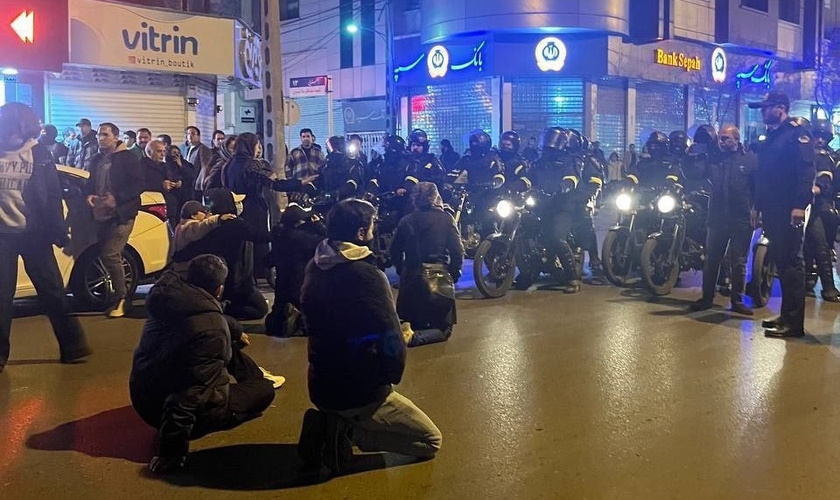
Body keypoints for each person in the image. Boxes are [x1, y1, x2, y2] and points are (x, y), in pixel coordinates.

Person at [298, 199, 442, 476]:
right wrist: (390, 375)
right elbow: (388, 335)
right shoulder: (367, 275)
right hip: (359, 389)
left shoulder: (315, 266)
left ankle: (329, 422)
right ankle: (344, 434)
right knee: (431, 441)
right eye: (372, 224)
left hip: (320, 381)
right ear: (361, 233)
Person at [129, 254, 276, 474]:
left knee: (222, 343)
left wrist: (234, 329)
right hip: (164, 411)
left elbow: (204, 322)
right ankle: (256, 383)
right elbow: (188, 396)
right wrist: (171, 453)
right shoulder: (210, 329)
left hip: (144, 394)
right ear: (219, 289)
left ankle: (253, 378)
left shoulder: (170, 299)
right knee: (265, 390)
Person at [0, 102, 92, 374]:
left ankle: (73, 346)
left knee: (53, 291)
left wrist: (58, 233)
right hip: (2, 234)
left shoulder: (39, 154)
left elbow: (52, 196)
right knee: (1, 296)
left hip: (34, 234)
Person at [749, 92, 816, 337]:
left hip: (789, 210)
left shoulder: (797, 134)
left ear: (781, 108)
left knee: (791, 264)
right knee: (782, 263)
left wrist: (799, 205)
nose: (762, 112)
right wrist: (757, 206)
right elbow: (763, 176)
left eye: (766, 108)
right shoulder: (772, 137)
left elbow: (806, 172)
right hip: (772, 209)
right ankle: (786, 315)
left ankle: (794, 324)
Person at [688, 124, 757, 315]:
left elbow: (757, 188)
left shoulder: (749, 159)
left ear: (736, 138)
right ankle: (707, 299)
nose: (721, 141)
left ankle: (737, 301)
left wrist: (757, 210)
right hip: (717, 218)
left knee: (739, 261)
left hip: (741, 219)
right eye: (720, 138)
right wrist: (689, 157)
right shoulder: (713, 159)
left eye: (726, 138)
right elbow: (693, 174)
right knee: (712, 260)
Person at [173, 188, 270, 321]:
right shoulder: (234, 224)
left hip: (225, 282)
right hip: (239, 282)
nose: (239, 205)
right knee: (259, 309)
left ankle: (221, 311)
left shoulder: (212, 227)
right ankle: (223, 312)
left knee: (256, 307)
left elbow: (195, 248)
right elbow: (261, 236)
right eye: (236, 202)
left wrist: (177, 257)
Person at [390, 183, 464, 346]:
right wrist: (453, 273)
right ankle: (412, 338)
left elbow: (394, 251)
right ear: (436, 197)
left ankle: (407, 328)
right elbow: (457, 252)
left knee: (413, 320)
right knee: (444, 331)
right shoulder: (446, 219)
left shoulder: (406, 220)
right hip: (437, 281)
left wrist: (402, 270)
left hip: (410, 281)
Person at [85, 122, 145, 318]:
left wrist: (117, 199)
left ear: (116, 137)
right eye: (99, 135)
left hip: (122, 214)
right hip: (101, 214)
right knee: (106, 256)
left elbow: (138, 184)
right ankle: (115, 295)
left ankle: (122, 299)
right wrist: (89, 195)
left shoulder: (128, 158)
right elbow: (89, 182)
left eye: (105, 135)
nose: (100, 138)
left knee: (110, 254)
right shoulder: (96, 159)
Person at [525, 127, 585, 293]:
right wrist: (516, 185)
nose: (549, 146)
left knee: (556, 237)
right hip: (541, 205)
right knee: (525, 227)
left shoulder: (568, 160)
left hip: (562, 206)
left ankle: (573, 278)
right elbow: (528, 178)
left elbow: (572, 177)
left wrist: (564, 186)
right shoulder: (540, 161)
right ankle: (527, 272)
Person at [264, 203, 326, 337]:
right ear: (299, 222)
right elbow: (326, 241)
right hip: (300, 285)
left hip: (282, 286)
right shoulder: (303, 238)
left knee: (278, 310)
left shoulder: (279, 236)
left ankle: (282, 318)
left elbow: (268, 260)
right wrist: (319, 225)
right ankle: (297, 319)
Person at [804, 118, 840, 302]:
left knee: (820, 243)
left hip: (819, 205)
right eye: (817, 135)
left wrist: (818, 188)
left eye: (823, 137)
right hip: (797, 201)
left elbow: (826, 179)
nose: (819, 140)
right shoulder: (801, 153)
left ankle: (828, 288)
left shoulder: (826, 158)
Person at [143, 139, 182, 227]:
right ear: (149, 152)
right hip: (152, 210)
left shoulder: (164, 166)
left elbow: (173, 177)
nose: (163, 154)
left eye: (164, 151)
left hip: (169, 207)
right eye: (159, 151)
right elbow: (140, 186)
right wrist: (161, 185)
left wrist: (177, 182)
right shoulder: (141, 167)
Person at [403, 129, 447, 194]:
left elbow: (440, 180)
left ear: (425, 146)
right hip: (408, 198)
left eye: (418, 145)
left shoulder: (432, 161)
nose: (415, 147)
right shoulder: (406, 161)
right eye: (413, 145)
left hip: (427, 197)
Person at [184, 126, 213, 201]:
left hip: (197, 184)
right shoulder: (187, 149)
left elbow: (205, 167)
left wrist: (200, 183)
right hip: (188, 183)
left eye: (193, 134)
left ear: (198, 136)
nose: (190, 136)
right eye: (188, 134)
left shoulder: (202, 149)